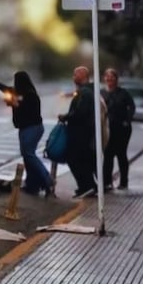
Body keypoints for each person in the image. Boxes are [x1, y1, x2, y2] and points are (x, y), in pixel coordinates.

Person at [0, 70, 55, 197]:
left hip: (32, 128)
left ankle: (48, 180)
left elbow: (29, 112)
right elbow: (3, 88)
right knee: (27, 157)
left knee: (28, 154)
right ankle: (32, 185)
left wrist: (15, 104)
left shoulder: (31, 95)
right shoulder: (17, 92)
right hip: (26, 129)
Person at [59, 66, 99, 197]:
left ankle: (86, 186)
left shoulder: (85, 93)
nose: (73, 77)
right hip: (83, 132)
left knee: (74, 159)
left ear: (82, 76)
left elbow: (80, 112)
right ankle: (89, 186)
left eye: (75, 75)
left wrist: (66, 116)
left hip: (80, 133)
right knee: (82, 159)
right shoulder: (85, 91)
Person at [101, 68, 135, 190]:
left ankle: (124, 182)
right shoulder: (101, 93)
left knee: (121, 154)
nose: (109, 79)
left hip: (122, 129)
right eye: (107, 77)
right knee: (108, 155)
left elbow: (132, 107)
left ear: (116, 79)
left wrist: (127, 120)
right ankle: (106, 182)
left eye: (112, 77)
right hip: (107, 129)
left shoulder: (123, 93)